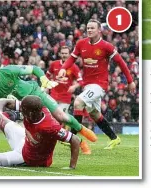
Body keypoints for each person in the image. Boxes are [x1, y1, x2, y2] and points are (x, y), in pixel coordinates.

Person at [0, 56, 97, 147]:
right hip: (24, 107)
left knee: (61, 116)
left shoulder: (9, 71)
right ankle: (79, 144)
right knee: (37, 135)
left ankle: (82, 130)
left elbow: (34, 69)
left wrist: (43, 79)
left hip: (35, 93)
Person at [57, 19, 136, 149]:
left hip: (100, 84)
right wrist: (63, 68)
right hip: (88, 85)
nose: (89, 30)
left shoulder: (107, 46)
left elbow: (121, 62)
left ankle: (72, 137)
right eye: (88, 28)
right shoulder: (81, 44)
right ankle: (114, 138)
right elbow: (71, 58)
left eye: (92, 28)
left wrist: (130, 81)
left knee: (78, 102)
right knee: (94, 114)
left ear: (99, 30)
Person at [0, 96, 80, 169]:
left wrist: (71, 167)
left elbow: (75, 140)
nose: (21, 110)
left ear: (32, 113)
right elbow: (2, 101)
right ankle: (8, 119)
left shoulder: (50, 127)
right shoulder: (36, 108)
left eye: (23, 110)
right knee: (0, 118)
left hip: (28, 158)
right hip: (25, 141)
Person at [46, 46, 91, 155]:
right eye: (63, 53)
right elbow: (47, 76)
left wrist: (74, 86)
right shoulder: (54, 64)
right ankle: (64, 138)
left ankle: (75, 140)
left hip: (65, 98)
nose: (64, 55)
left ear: (69, 54)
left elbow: (81, 81)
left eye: (66, 53)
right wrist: (47, 87)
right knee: (51, 119)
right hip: (52, 96)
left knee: (58, 119)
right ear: (60, 54)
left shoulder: (74, 67)